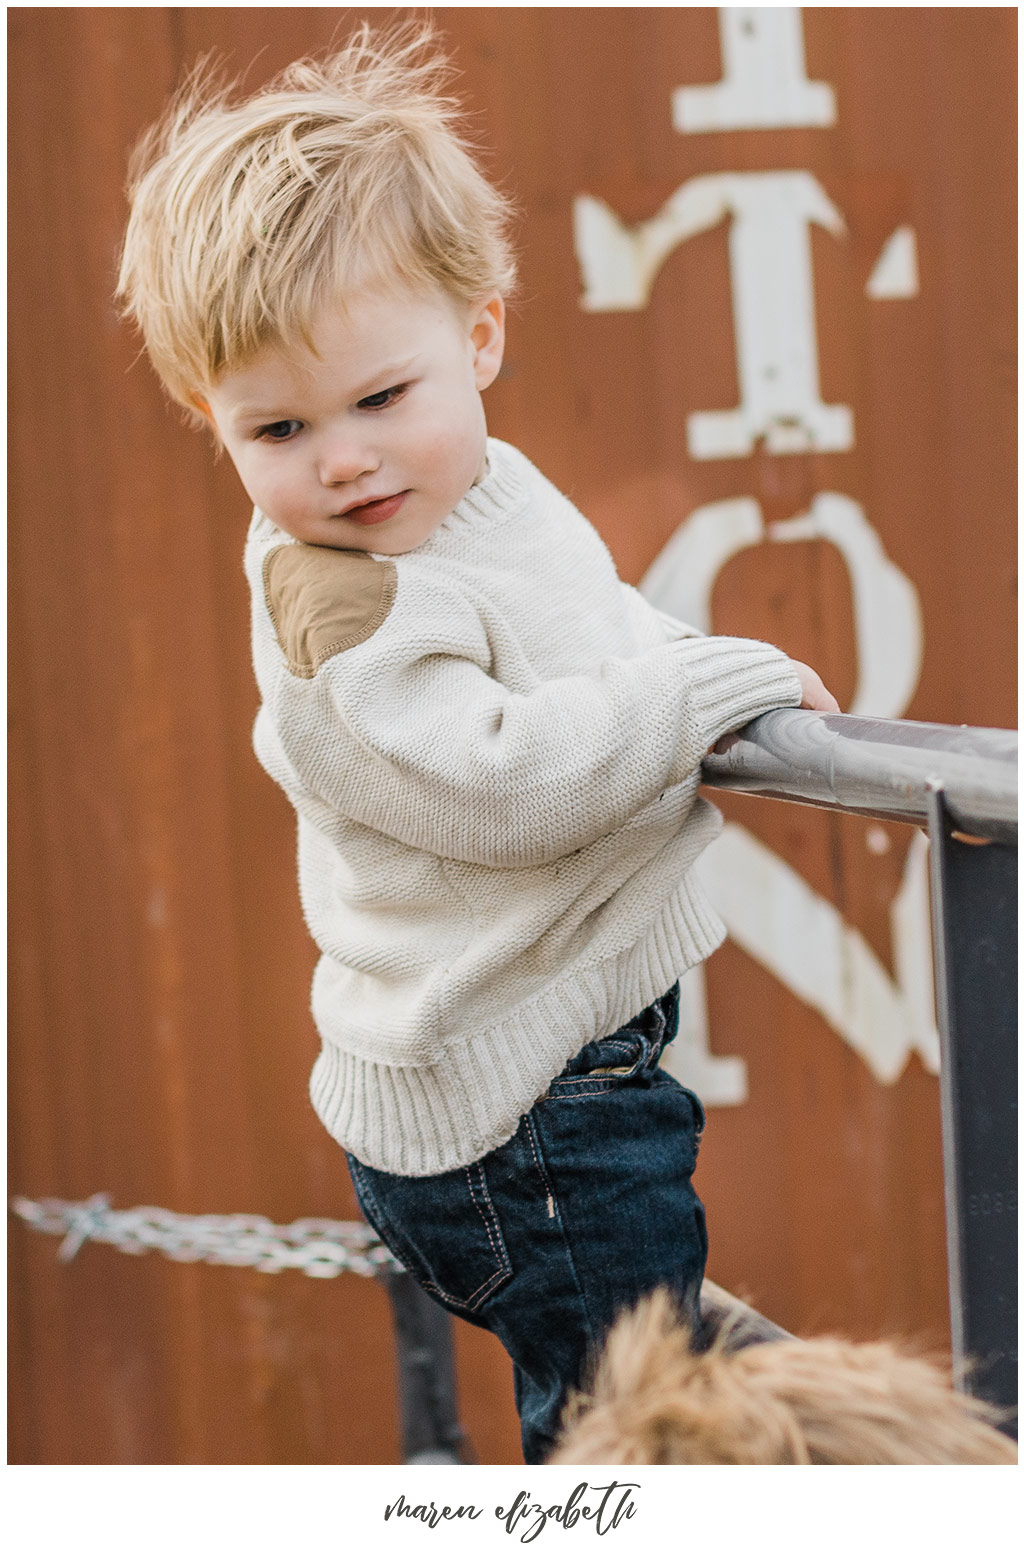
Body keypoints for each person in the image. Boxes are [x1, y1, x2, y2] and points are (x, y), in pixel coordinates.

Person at [116, 23, 839, 1463]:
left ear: (483, 333)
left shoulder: (480, 490)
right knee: (636, 1445)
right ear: (213, 422)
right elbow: (502, 783)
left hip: (556, 1083)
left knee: (650, 1409)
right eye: (277, 427)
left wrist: (672, 664)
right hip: (522, 1126)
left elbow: (582, 621)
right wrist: (704, 698)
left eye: (382, 398)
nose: (343, 458)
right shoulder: (349, 606)